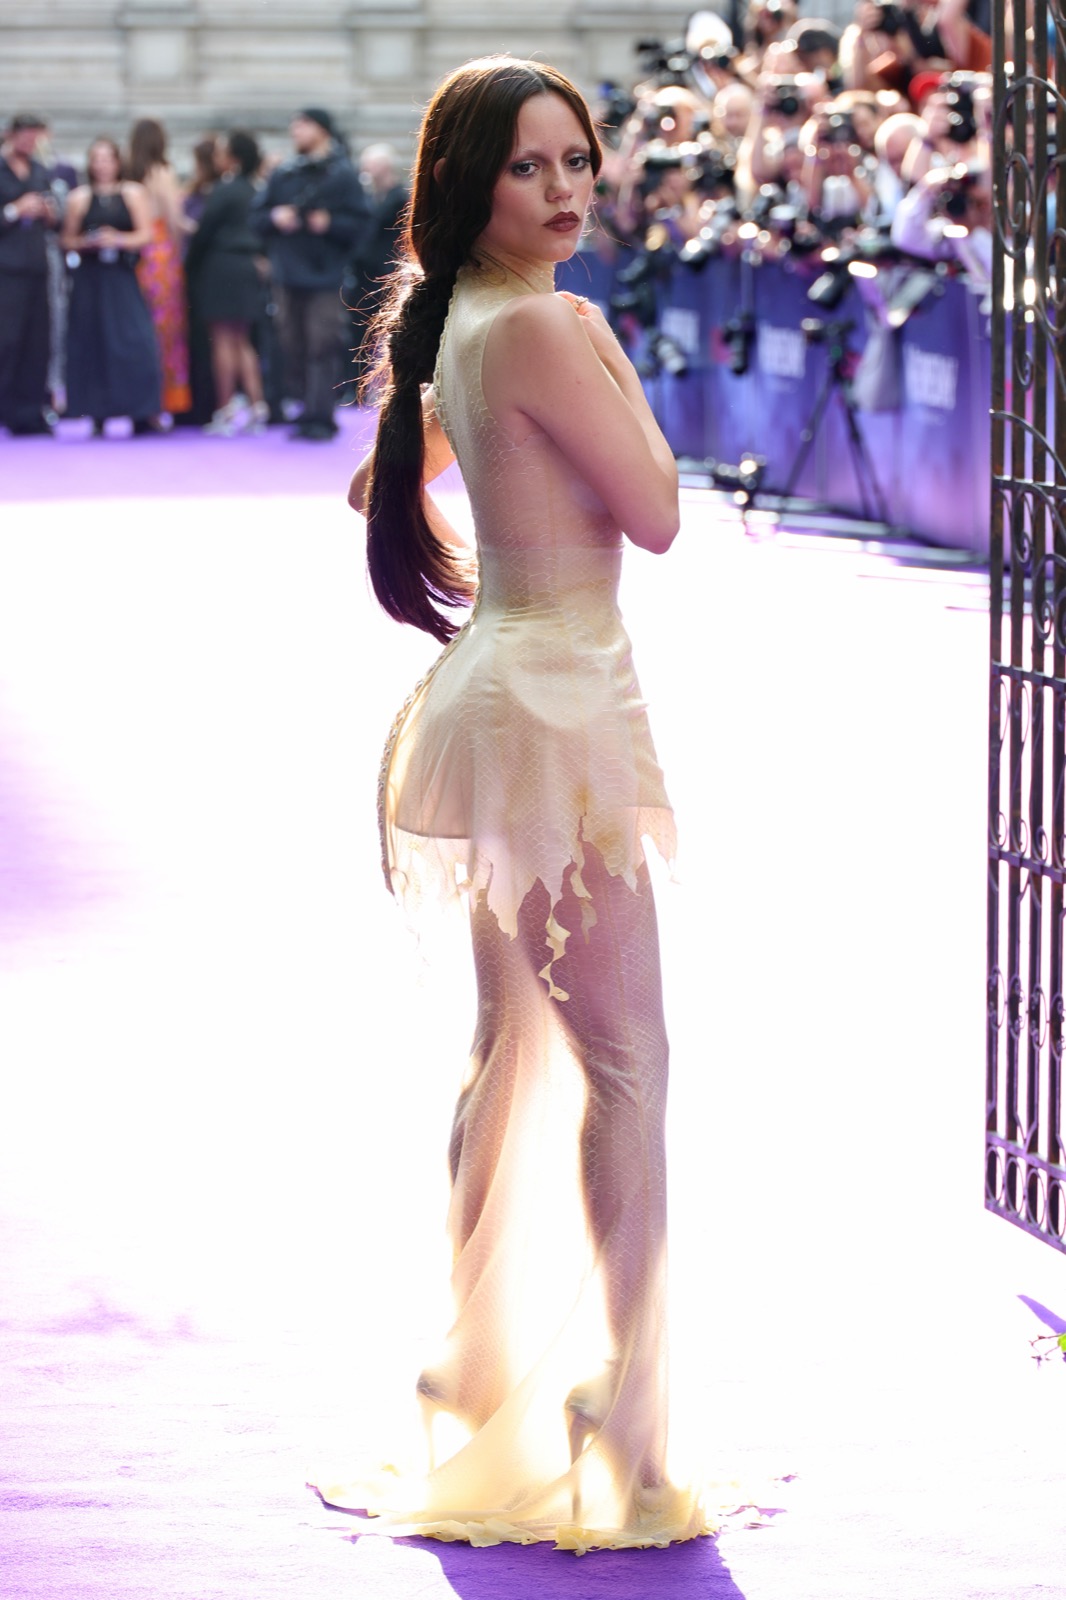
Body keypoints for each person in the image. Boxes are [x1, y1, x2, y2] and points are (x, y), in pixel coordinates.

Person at [318, 55, 710, 1550]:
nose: (563, 190)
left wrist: (510, 545)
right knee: (627, 1063)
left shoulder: (470, 321)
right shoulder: (543, 324)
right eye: (528, 166)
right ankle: (626, 1412)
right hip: (550, 714)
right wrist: (611, 367)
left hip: (504, 693)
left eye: (577, 161)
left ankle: (470, 1373)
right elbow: (658, 514)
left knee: (515, 1049)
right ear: (465, 186)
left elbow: (376, 487)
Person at [250, 108, 364, 439]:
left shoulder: (343, 175)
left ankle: (320, 415)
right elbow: (255, 218)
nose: (295, 130)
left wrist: (330, 224)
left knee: (322, 343)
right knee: (292, 343)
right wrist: (275, 217)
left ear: (322, 130)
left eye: (303, 124)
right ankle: (305, 409)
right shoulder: (285, 174)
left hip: (325, 275)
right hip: (287, 273)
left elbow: (362, 224)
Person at [61, 137, 161, 435]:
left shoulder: (132, 193)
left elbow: (146, 234)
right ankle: (96, 412)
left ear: (118, 162)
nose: (102, 165)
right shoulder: (79, 198)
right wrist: (86, 242)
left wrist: (117, 239)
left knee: (135, 340)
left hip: (121, 275)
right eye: (97, 159)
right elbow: (67, 239)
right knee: (91, 341)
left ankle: (142, 411)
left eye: (108, 159)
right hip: (91, 278)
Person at [184, 130, 268, 435]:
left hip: (221, 266)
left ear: (233, 158)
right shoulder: (255, 189)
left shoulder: (224, 189)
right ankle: (257, 406)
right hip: (246, 265)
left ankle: (225, 409)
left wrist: (189, 265)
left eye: (221, 151)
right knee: (242, 339)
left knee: (222, 338)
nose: (216, 157)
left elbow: (204, 232)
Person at [127, 116, 192, 419]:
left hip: (136, 254)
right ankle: (167, 398)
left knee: (141, 325)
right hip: (161, 252)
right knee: (167, 329)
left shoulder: (129, 173)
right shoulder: (163, 171)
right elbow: (174, 219)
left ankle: (141, 398)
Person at [0, 111, 60, 435]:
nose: (29, 141)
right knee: (7, 340)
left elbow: (56, 222)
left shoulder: (40, 171)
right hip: (6, 269)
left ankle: (29, 411)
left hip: (36, 265)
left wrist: (48, 214)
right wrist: (14, 210)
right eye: (25, 134)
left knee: (37, 342)